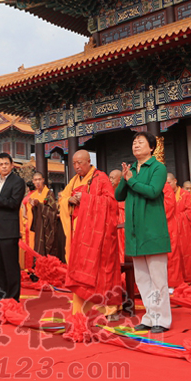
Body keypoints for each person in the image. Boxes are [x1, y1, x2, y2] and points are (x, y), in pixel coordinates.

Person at [115, 133, 171, 332]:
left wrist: (132, 181)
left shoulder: (158, 168)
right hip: (134, 232)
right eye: (134, 142)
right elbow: (118, 195)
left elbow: (153, 191)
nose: (136, 145)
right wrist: (125, 178)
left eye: (140, 142)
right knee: (142, 278)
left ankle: (162, 319)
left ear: (152, 148)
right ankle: (149, 316)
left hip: (152, 229)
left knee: (158, 278)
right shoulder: (131, 170)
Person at [64, 149, 121, 316]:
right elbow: (63, 198)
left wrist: (86, 199)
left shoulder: (101, 178)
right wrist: (69, 200)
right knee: (79, 269)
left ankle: (107, 309)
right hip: (79, 234)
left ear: (89, 161)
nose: (76, 166)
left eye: (80, 163)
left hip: (98, 235)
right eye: (74, 163)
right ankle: (81, 310)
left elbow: (111, 203)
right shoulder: (74, 181)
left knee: (103, 270)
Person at [0, 153, 25, 301]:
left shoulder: (17, 181)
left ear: (12, 165)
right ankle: (1, 296)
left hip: (8, 229)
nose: (4, 166)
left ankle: (13, 297)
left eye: (6, 163)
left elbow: (14, 203)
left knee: (10, 264)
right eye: (0, 164)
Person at [167, 173, 191, 283]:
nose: (167, 185)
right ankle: (176, 280)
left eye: (169, 183)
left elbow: (190, 212)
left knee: (188, 254)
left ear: (175, 181)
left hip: (185, 231)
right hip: (171, 231)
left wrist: (177, 217)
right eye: (165, 184)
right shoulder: (164, 195)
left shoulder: (185, 195)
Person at [28, 172, 64, 261]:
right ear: (33, 181)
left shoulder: (49, 193)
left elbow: (52, 210)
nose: (37, 182)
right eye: (35, 180)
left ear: (43, 180)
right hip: (36, 227)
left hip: (47, 228)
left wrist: (39, 205)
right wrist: (34, 207)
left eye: (39, 179)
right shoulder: (32, 196)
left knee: (48, 250)